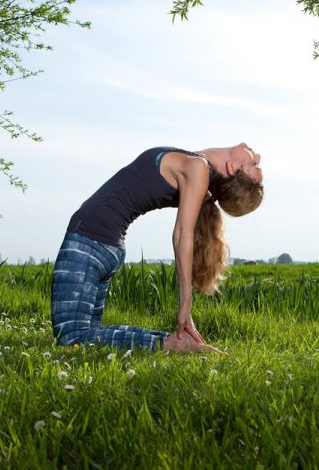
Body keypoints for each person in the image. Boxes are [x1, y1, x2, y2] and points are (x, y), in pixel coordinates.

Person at [51, 143, 263, 354]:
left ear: (233, 167)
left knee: (71, 336)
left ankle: (172, 345)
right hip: (102, 244)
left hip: (89, 243)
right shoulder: (198, 164)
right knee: (88, 333)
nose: (258, 156)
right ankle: (176, 343)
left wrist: (185, 306)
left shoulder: (198, 168)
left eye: (254, 164)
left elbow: (182, 235)